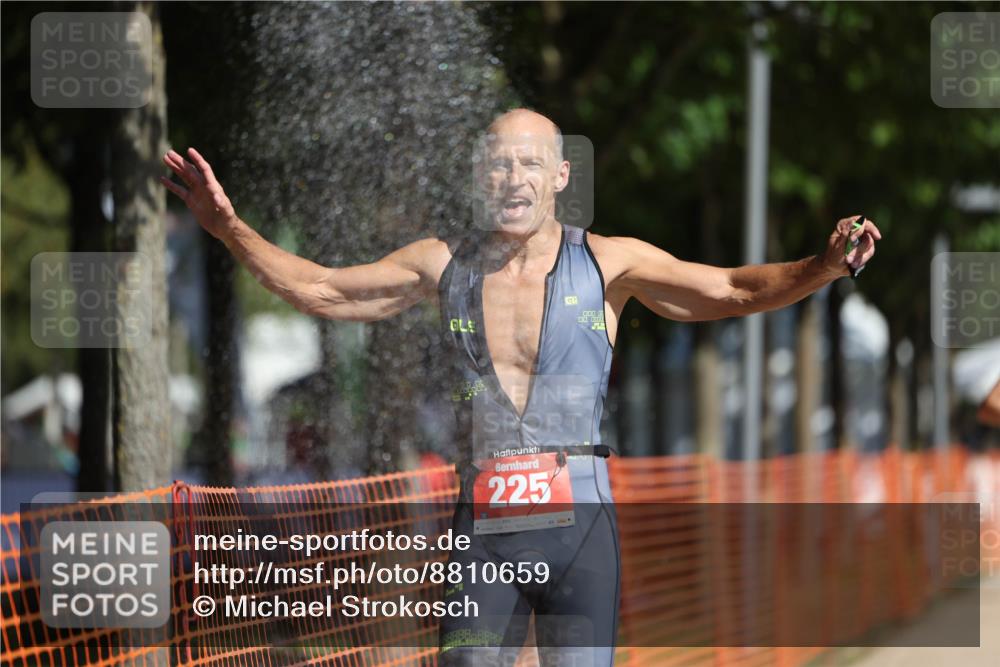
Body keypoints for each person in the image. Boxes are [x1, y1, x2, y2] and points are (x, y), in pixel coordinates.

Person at [161, 108, 880, 666]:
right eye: (498, 165)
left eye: (529, 163)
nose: (513, 178)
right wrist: (229, 229)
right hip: (485, 531)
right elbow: (322, 288)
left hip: (581, 531)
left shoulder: (608, 263)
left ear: (561, 175)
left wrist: (823, 264)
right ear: (481, 178)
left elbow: (727, 288)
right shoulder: (442, 264)